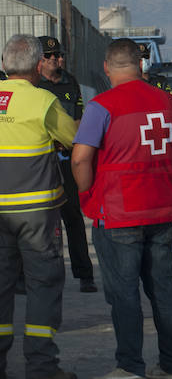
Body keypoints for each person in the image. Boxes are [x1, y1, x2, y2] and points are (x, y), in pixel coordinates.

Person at [71, 38, 172, 379]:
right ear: (141, 66)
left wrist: (86, 192)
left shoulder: (101, 106)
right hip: (162, 210)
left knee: (124, 295)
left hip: (118, 213)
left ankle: (130, 367)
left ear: (107, 68)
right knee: (164, 290)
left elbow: (80, 158)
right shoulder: (169, 102)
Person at [0, 35, 78, 379]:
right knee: (43, 285)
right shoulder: (43, 100)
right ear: (36, 67)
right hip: (36, 213)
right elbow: (74, 137)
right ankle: (42, 367)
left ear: (4, 65)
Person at [36, 36, 97, 292]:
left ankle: (85, 274)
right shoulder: (34, 86)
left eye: (59, 55)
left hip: (66, 160)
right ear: (39, 60)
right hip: (41, 163)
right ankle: (41, 277)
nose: (57, 60)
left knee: (73, 218)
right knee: (43, 224)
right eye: (51, 56)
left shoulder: (69, 81)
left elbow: (79, 118)